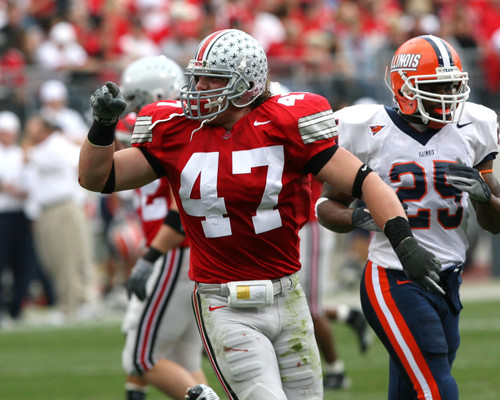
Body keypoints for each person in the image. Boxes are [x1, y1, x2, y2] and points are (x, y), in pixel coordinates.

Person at [79, 29, 442, 400]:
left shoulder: (288, 122)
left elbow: (366, 181)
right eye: (198, 75)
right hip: (223, 299)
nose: (198, 86)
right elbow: (98, 177)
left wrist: (405, 244)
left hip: (288, 295)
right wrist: (103, 126)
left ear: (247, 85)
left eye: (213, 78)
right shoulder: (176, 130)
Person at [316, 34, 500, 399]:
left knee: (409, 389)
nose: (449, 96)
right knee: (436, 387)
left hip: (448, 279)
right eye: (438, 86)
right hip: (393, 278)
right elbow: (324, 208)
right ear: (405, 88)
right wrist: (356, 217)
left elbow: (495, 222)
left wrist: (484, 197)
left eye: (453, 85)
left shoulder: (474, 126)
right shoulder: (367, 129)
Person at [112, 55, 220, 400]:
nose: (129, 107)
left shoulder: (162, 126)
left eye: (133, 97)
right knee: (184, 357)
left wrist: (149, 256)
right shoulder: (181, 124)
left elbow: (179, 207)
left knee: (141, 357)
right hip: (188, 254)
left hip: (173, 252)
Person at [298, 176, 371, 390]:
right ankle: (346, 314)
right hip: (284, 224)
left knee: (311, 308)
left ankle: (335, 370)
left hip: (307, 223)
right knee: (286, 300)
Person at [23, 114, 97, 322]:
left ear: (44, 130)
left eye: (34, 128)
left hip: (62, 207)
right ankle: (73, 302)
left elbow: (31, 157)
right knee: (53, 259)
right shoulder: (49, 146)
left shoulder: (54, 145)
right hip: (48, 210)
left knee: (68, 257)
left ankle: (73, 304)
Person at [0, 111, 36, 326]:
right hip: (2, 213)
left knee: (23, 262)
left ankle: (16, 308)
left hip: (21, 213)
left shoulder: (20, 153)